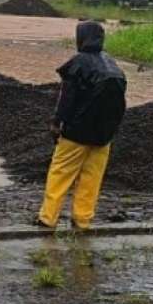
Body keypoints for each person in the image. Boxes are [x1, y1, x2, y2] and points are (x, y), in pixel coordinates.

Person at [37, 21, 126, 231]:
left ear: (82, 38)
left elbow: (67, 99)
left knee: (60, 174)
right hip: (104, 136)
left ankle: (48, 218)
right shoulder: (114, 66)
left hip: (76, 133)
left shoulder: (78, 63)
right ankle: (83, 220)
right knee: (91, 179)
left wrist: (56, 122)